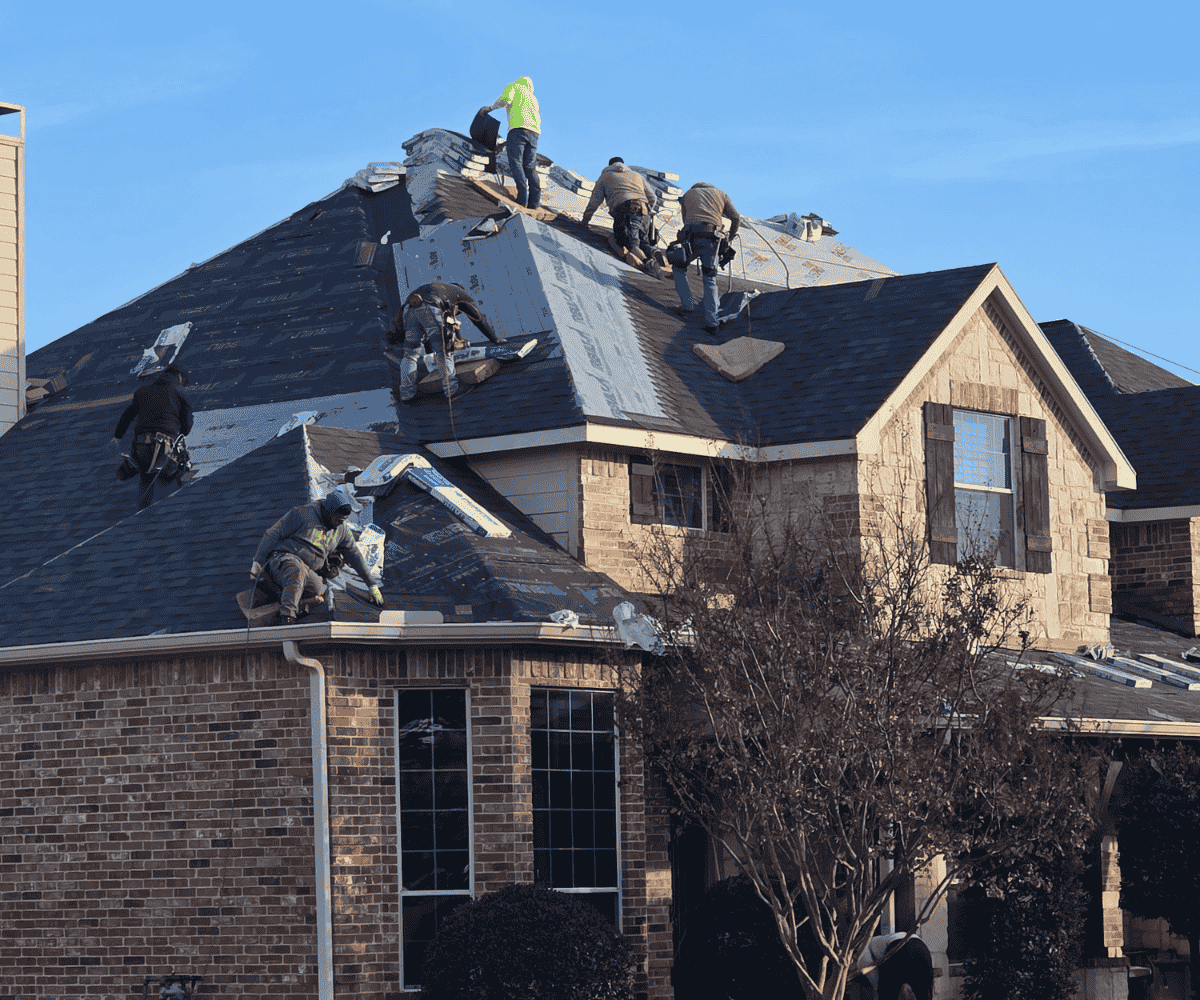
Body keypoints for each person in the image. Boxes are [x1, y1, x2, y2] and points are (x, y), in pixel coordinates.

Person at [250, 492, 384, 626]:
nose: (340, 523)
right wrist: (258, 561)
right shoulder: (302, 514)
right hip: (284, 559)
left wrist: (372, 585)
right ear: (328, 513)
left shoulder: (342, 530)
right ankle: (287, 618)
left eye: (344, 520)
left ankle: (280, 594)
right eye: (338, 519)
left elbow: (354, 554)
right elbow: (273, 533)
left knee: (318, 588)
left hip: (306, 570)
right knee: (297, 570)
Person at [387, 282, 505, 404]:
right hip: (431, 305)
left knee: (410, 355)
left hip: (408, 310)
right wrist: (495, 339)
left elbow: (428, 335)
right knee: (444, 349)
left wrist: (432, 359)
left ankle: (406, 394)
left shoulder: (441, 290)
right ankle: (452, 389)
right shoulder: (461, 295)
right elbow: (478, 318)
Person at [111, 362, 194, 510]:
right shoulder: (179, 392)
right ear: (180, 377)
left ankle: (142, 511)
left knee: (146, 477)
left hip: (141, 447)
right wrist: (181, 433)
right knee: (171, 478)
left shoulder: (142, 391)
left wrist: (117, 436)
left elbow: (127, 415)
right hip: (165, 447)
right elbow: (187, 424)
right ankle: (166, 511)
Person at [670, 182, 741, 334]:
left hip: (691, 239)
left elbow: (685, 220)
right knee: (710, 279)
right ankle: (712, 322)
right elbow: (736, 217)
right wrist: (729, 239)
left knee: (678, 267)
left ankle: (687, 306)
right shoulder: (721, 194)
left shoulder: (687, 195)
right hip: (712, 240)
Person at [580, 157, 665, 276]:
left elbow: (594, 202)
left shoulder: (605, 177)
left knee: (628, 242)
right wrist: (646, 211)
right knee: (642, 241)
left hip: (627, 211)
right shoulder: (636, 175)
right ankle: (653, 251)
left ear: (610, 165)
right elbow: (653, 198)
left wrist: (584, 221)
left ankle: (649, 263)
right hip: (644, 212)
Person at [486, 76, 541, 209]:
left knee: (516, 163)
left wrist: (489, 108)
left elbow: (505, 99)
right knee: (530, 166)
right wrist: (506, 143)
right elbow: (529, 123)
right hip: (534, 134)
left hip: (517, 130)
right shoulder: (533, 98)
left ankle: (522, 199)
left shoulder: (515, 87)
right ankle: (534, 203)